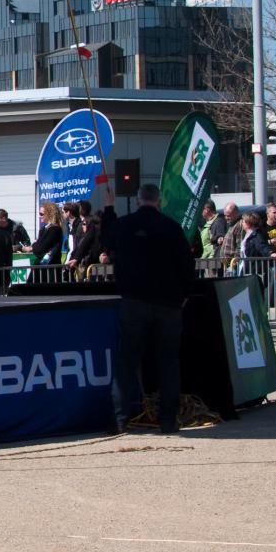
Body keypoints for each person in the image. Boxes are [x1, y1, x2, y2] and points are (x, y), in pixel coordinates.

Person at [104, 182, 193, 436]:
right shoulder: (171, 227)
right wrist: (184, 294)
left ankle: (120, 419)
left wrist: (109, 207)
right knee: (168, 363)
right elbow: (186, 265)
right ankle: (168, 421)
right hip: (168, 303)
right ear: (159, 201)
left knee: (127, 362)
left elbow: (106, 239)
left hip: (134, 300)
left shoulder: (124, 225)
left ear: (139, 199)